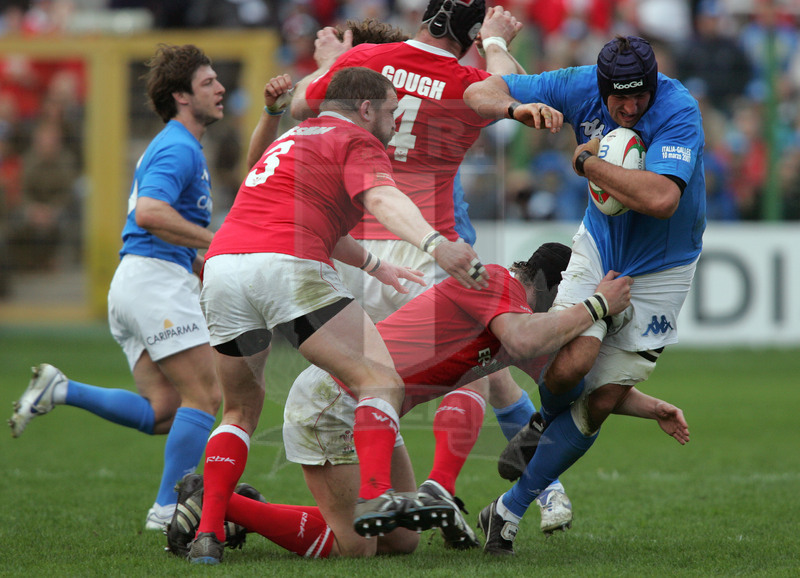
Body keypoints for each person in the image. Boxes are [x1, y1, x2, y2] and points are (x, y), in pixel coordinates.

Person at [166, 242, 668, 560]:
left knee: (402, 540)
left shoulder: (519, 317)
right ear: (551, 288)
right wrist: (596, 307)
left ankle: (235, 506)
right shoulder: (495, 282)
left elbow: (569, 382)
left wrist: (650, 408)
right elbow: (525, 338)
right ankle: (221, 502)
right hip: (333, 402)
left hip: (370, 407)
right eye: (566, 304)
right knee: (354, 547)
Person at [285, 1, 574, 532]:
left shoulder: (370, 57)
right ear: (465, 35)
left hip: (349, 246)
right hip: (421, 244)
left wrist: (332, 65)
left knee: (359, 381)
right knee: (473, 367)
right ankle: (439, 484)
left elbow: (301, 102)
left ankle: (368, 493)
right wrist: (496, 43)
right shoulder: (468, 78)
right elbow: (511, 95)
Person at [186, 66, 488, 565]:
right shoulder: (356, 138)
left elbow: (303, 213)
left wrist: (375, 264)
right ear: (366, 109)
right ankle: (373, 495)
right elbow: (382, 198)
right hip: (286, 263)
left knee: (238, 409)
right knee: (380, 379)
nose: (395, 121)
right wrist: (435, 244)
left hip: (223, 266)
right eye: (391, 111)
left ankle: (209, 530)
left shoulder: (299, 134)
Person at [463, 34, 704, 554]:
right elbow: (478, 92)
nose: (629, 107)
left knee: (600, 400)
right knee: (572, 365)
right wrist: (514, 105)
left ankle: (506, 512)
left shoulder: (678, 106)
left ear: (653, 84)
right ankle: (545, 419)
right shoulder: (576, 85)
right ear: (599, 87)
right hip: (599, 245)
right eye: (619, 98)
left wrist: (586, 163)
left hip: (664, 267)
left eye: (639, 96)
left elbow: (662, 198)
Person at [8, 44, 227, 530]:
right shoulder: (178, 145)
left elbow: (155, 221)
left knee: (165, 411)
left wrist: (196, 260)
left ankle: (61, 389)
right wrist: (217, 242)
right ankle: (169, 508)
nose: (220, 88)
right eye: (208, 82)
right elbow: (148, 212)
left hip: (141, 280)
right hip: (152, 283)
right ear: (181, 96)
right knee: (206, 397)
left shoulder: (178, 143)